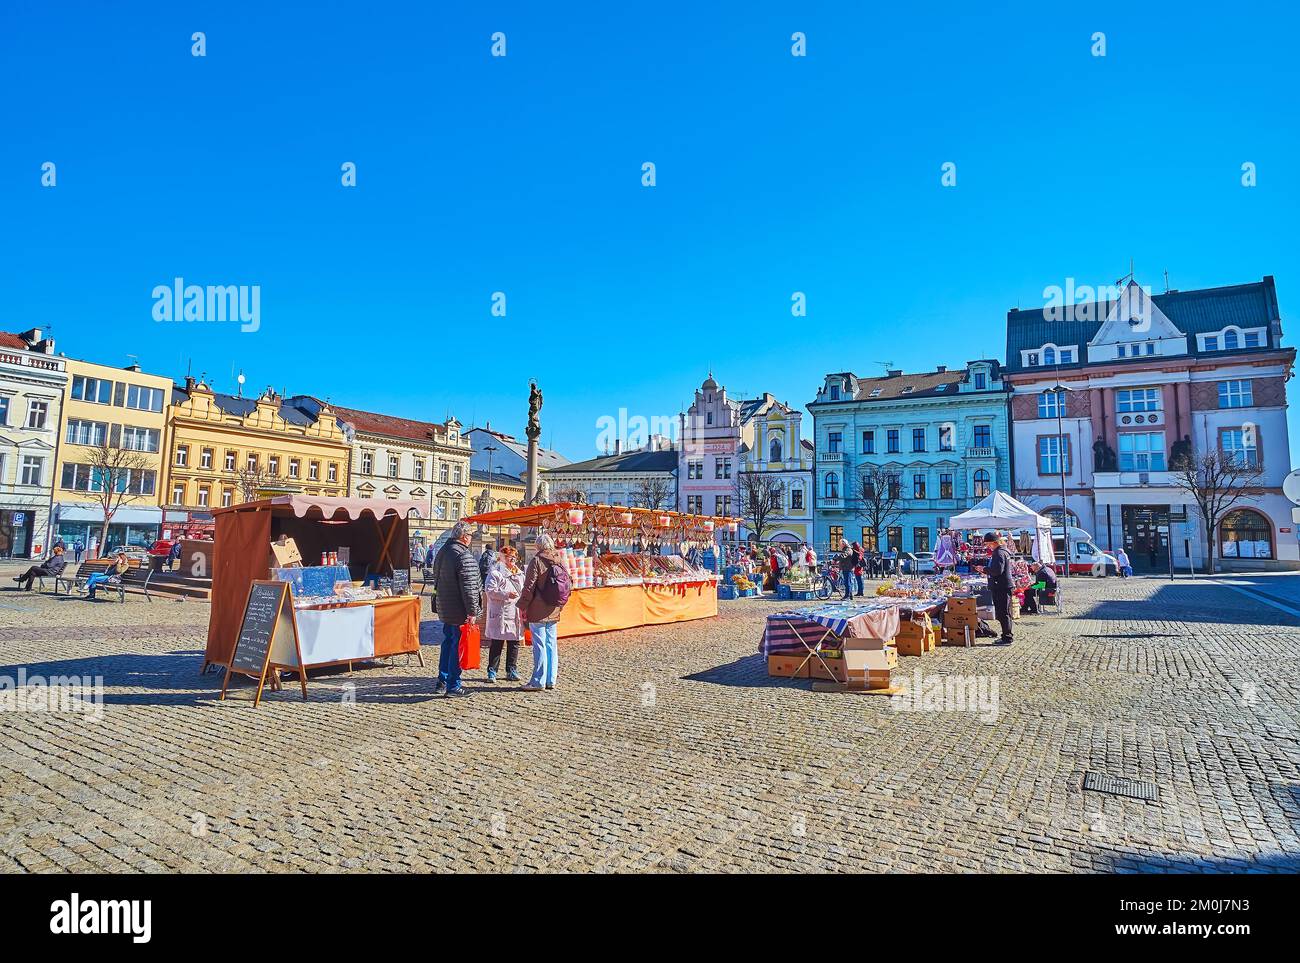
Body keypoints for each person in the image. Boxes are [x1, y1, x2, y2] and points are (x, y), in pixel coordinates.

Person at [432, 520, 482, 698]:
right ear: (464, 537)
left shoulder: (442, 552)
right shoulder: (463, 555)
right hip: (459, 608)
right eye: (469, 536)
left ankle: (442, 680)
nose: (470, 539)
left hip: (445, 606)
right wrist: (472, 611)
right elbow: (470, 588)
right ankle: (454, 685)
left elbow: (436, 578)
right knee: (456, 645)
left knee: (448, 642)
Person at [517, 532, 569, 691]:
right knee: (551, 644)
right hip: (554, 607)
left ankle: (538, 680)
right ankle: (551, 679)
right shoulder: (559, 559)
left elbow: (528, 587)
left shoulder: (537, 561)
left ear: (538, 546)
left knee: (539, 645)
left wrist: (522, 606)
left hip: (537, 609)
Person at [484, 545, 525, 683]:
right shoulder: (495, 573)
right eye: (509, 556)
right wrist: (506, 594)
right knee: (497, 642)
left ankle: (511, 669)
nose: (512, 559)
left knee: (514, 642)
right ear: (502, 558)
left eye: (514, 557)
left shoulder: (519, 574)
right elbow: (489, 590)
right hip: (500, 612)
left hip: (515, 612)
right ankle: (492, 670)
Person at [983, 532, 1015, 645]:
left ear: (994, 543)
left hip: (1001, 586)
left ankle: (1007, 637)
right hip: (1002, 585)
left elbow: (997, 570)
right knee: (1004, 612)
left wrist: (984, 569)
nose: (988, 546)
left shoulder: (999, 553)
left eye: (988, 544)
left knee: (1003, 612)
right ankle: (1006, 635)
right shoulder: (1003, 551)